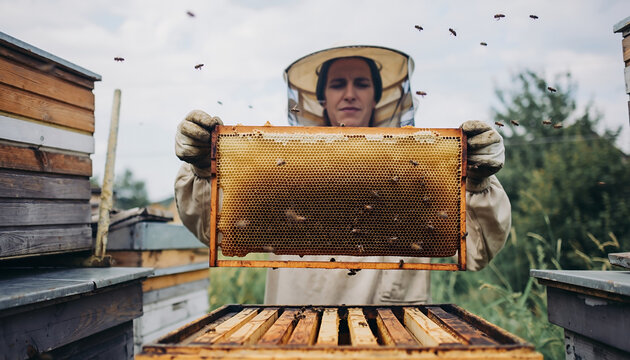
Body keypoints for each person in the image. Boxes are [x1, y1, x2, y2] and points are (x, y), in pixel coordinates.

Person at [174, 45, 510, 305]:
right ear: (321, 98)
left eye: (361, 83)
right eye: (338, 84)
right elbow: (213, 227)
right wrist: (205, 169)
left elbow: (477, 249)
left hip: (394, 335)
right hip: (294, 331)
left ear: (377, 96)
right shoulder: (281, 165)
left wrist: (478, 183)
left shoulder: (417, 166)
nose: (350, 93)